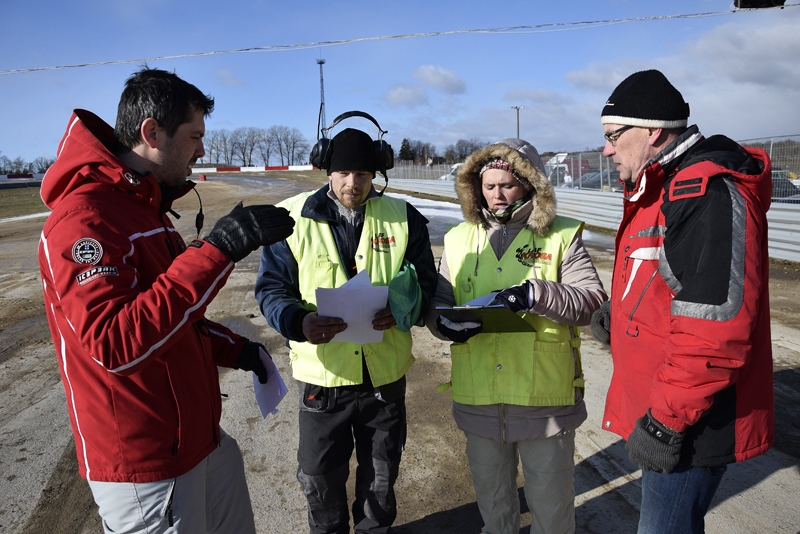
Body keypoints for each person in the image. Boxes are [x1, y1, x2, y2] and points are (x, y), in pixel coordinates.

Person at [38, 67, 295, 533]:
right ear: (151, 132)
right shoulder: (84, 219)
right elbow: (115, 342)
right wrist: (217, 251)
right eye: (194, 136)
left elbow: (176, 317)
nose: (202, 149)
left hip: (197, 440)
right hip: (146, 463)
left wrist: (235, 349)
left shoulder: (144, 206)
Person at [592, 69, 774, 533]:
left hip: (690, 421)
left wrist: (666, 422)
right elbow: (662, 286)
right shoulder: (661, 186)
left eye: (614, 136)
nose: (607, 149)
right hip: (673, 405)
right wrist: (619, 320)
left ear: (653, 131)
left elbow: (714, 329)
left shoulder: (705, 192)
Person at [254, 124, 437, 533]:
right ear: (326, 170)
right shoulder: (291, 219)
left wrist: (403, 307)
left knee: (381, 479)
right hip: (324, 378)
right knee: (320, 481)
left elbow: (426, 283)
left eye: (363, 174)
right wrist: (299, 321)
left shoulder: (404, 218)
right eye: (343, 173)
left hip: (384, 376)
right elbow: (272, 289)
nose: (352, 183)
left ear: (377, 173)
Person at [425, 138, 607, 534]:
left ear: (529, 185)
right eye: (488, 187)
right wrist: (442, 323)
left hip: (543, 398)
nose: (496, 196)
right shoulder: (457, 240)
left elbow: (592, 302)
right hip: (479, 397)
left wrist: (536, 292)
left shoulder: (560, 236)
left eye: (506, 185)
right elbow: (438, 301)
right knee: (494, 507)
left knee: (551, 509)